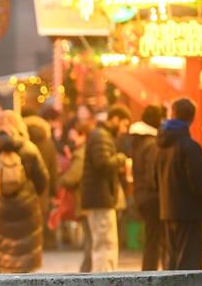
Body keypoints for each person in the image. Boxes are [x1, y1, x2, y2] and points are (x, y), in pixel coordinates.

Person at [0, 110, 49, 273]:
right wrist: (33, 195)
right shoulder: (30, 149)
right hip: (26, 210)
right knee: (23, 261)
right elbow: (43, 179)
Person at [157, 98, 202, 271]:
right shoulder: (190, 147)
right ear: (192, 118)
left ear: (172, 114)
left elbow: (155, 178)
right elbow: (199, 181)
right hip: (189, 213)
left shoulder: (161, 146)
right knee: (188, 264)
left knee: (171, 261)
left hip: (167, 210)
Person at [81, 105, 131, 272]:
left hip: (101, 198)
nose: (124, 130)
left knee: (103, 243)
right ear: (115, 119)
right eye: (124, 124)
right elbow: (102, 163)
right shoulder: (101, 136)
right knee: (105, 244)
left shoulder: (101, 135)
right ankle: (104, 284)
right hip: (100, 199)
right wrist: (121, 159)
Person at [130, 105, 166, 270]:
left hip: (141, 195)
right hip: (152, 197)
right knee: (155, 240)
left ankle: (149, 272)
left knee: (151, 238)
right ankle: (150, 274)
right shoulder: (152, 143)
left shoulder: (139, 141)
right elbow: (153, 174)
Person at [23, 108, 60, 249]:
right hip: (43, 189)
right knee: (40, 218)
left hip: (24, 189)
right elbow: (53, 170)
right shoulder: (49, 143)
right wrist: (54, 192)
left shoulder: (23, 143)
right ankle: (40, 245)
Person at [59, 122, 91, 272]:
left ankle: (86, 270)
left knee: (91, 238)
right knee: (91, 238)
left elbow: (71, 178)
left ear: (83, 135)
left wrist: (62, 178)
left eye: (74, 136)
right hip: (86, 199)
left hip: (84, 200)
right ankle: (86, 269)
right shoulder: (82, 152)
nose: (72, 139)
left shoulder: (80, 153)